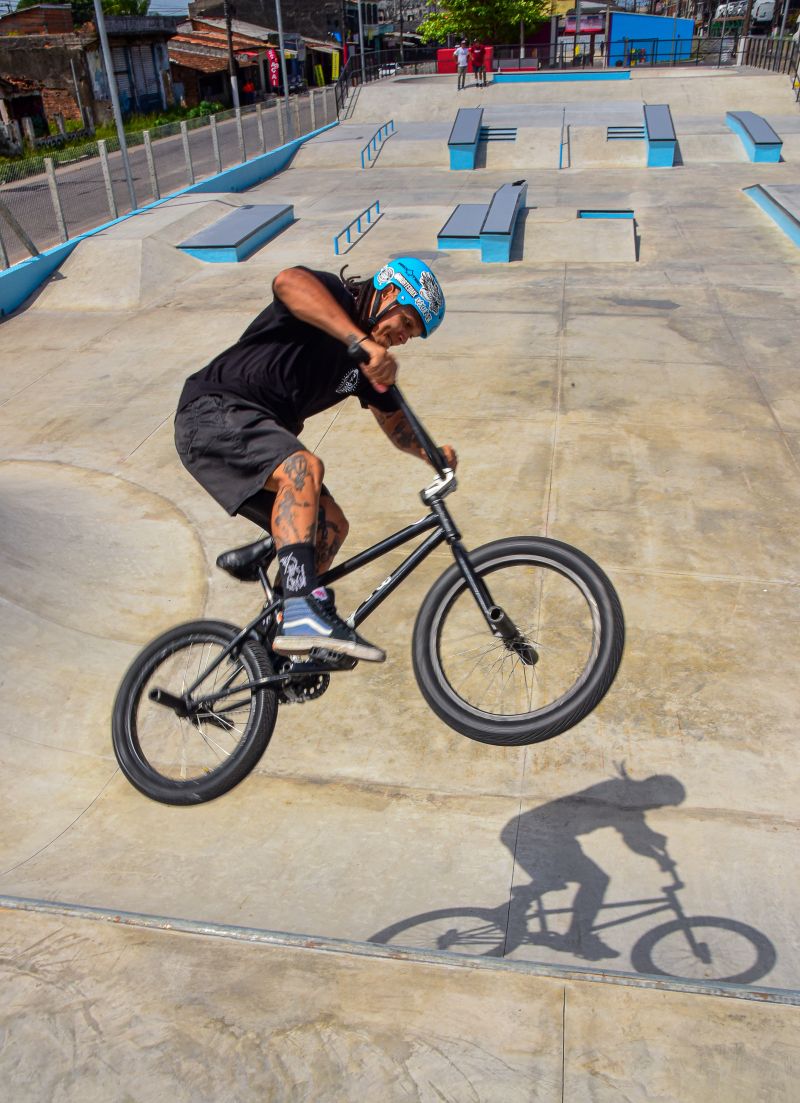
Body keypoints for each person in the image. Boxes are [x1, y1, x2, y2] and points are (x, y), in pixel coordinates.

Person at [174, 258, 454, 664]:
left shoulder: (364, 367)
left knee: (332, 524)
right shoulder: (334, 298)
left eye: (413, 334)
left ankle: (274, 643)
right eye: (407, 323)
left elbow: (395, 422)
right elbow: (287, 281)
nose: (405, 338)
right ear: (390, 293)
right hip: (214, 412)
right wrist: (359, 340)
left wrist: (433, 454)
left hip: (252, 433)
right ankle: (303, 608)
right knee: (303, 469)